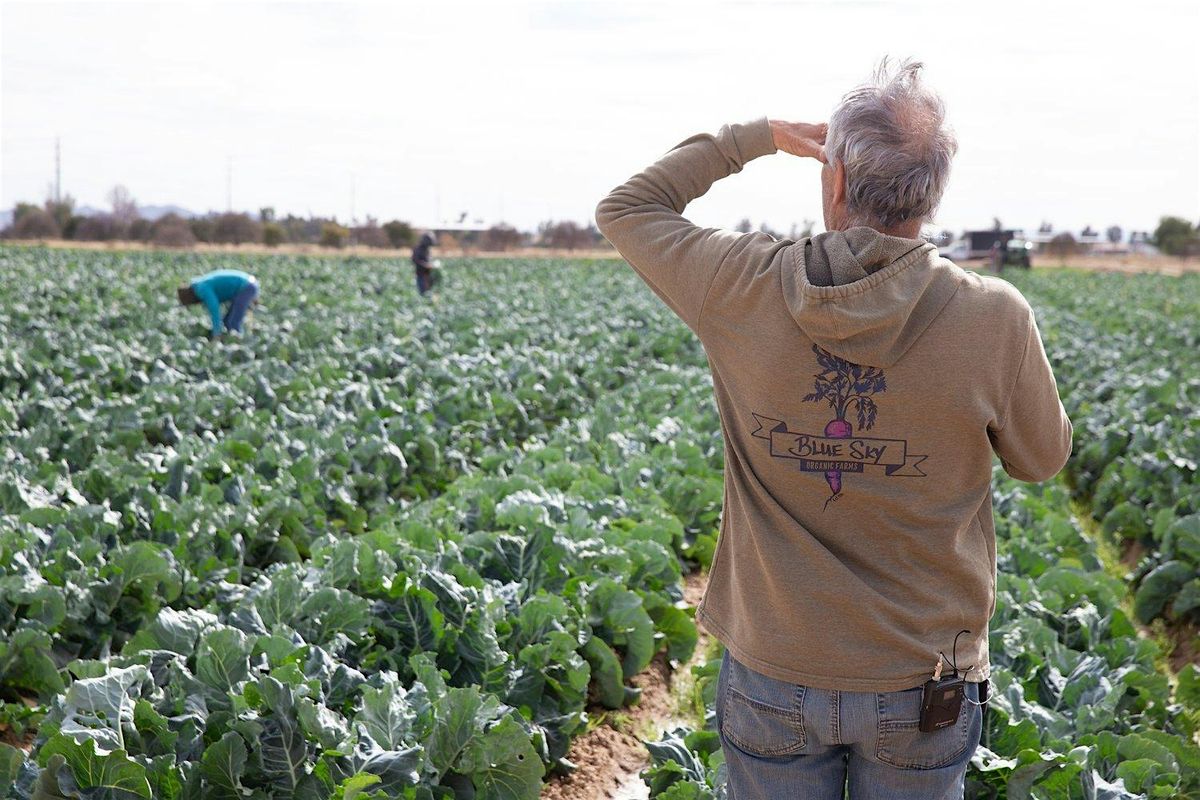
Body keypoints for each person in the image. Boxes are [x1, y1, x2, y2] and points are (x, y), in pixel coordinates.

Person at [596, 59, 1071, 800]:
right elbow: (1042, 461)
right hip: (926, 681)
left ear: (837, 181)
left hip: (774, 670)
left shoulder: (738, 281)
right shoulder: (995, 316)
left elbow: (628, 208)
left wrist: (751, 140)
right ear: (934, 192)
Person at [177, 269, 259, 339]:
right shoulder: (198, 285)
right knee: (227, 322)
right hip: (247, 284)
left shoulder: (202, 289)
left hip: (247, 286)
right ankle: (231, 342)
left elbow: (214, 309)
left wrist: (216, 334)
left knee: (233, 324)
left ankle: (239, 344)